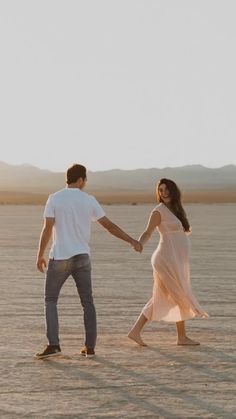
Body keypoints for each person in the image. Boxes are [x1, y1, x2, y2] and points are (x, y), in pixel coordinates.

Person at [36, 163, 142, 359]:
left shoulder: (54, 198)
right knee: (87, 303)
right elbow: (109, 226)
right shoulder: (88, 200)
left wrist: (40, 253)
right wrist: (132, 241)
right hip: (82, 257)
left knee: (51, 300)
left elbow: (47, 228)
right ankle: (90, 347)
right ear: (81, 180)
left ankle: (54, 345)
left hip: (60, 256)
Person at [128, 178, 208, 347]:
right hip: (165, 260)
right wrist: (140, 243)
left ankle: (135, 331)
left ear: (173, 191)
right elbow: (147, 232)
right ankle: (181, 337)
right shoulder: (158, 211)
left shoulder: (176, 209)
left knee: (164, 296)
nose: (163, 193)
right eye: (160, 190)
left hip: (175, 259)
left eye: (166, 189)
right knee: (179, 293)